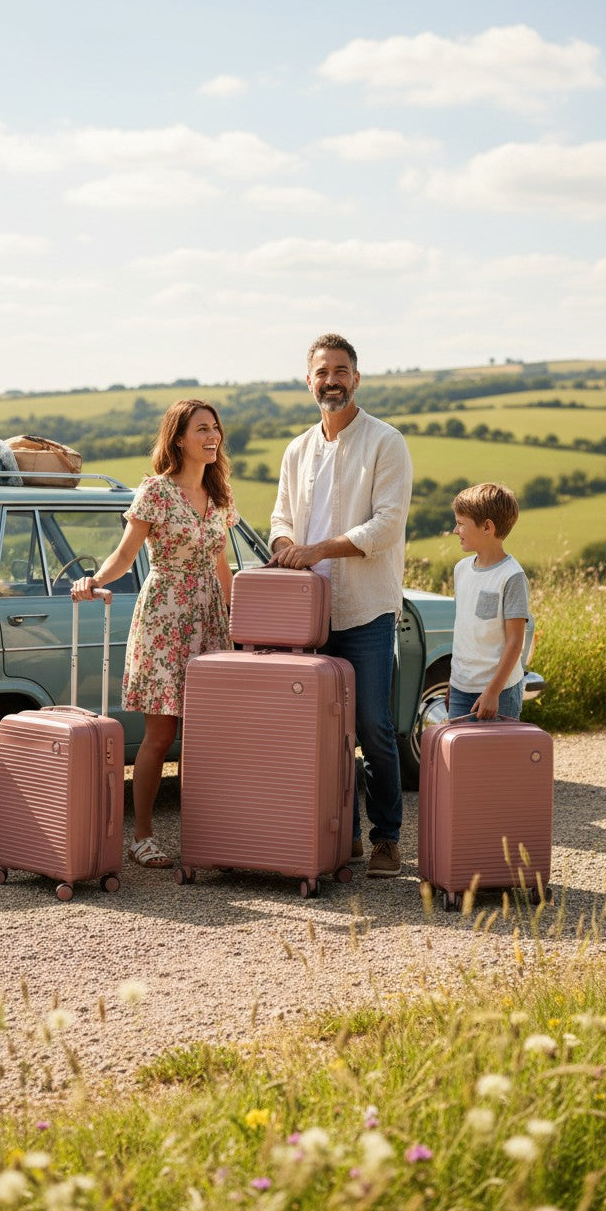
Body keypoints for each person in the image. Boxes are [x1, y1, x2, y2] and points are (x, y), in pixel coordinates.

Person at [269, 333, 413, 878]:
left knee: (373, 725)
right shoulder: (297, 449)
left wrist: (318, 550)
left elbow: (385, 526)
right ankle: (340, 835)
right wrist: (286, 546)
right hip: (306, 615)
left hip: (367, 610)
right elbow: (281, 518)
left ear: (357, 378)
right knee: (323, 732)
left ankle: (387, 839)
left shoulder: (386, 442)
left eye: (341, 370)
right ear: (309, 380)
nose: (331, 380)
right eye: (321, 371)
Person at [72, 399, 237, 867]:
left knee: (207, 737)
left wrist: (242, 619)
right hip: (165, 615)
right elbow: (125, 555)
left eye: (215, 428)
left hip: (209, 619)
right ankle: (141, 835)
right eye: (201, 428)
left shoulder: (221, 495)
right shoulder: (155, 492)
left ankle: (205, 836)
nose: (212, 436)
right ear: (179, 438)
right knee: (160, 736)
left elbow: (223, 566)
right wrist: (95, 581)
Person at [447, 483, 530, 721]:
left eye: (461, 523)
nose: (455, 530)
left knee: (494, 757)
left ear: (487, 527)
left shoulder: (512, 576)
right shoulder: (461, 570)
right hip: (461, 687)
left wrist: (492, 692)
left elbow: (515, 642)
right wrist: (453, 682)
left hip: (499, 691)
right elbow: (464, 632)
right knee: (460, 756)